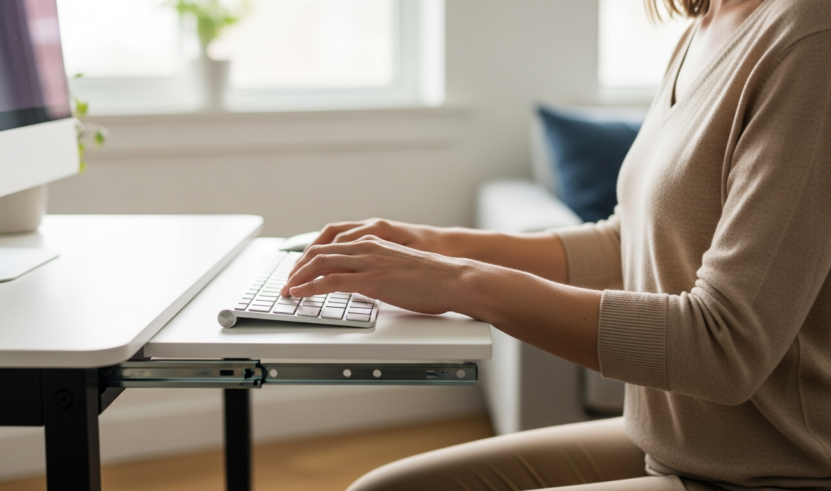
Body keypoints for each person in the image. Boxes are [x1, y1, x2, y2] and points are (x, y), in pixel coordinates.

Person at [282, 0, 831, 489]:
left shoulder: (809, 40)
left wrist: (459, 283)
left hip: (771, 470)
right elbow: (627, 241)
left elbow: (722, 349)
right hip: (669, 445)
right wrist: (432, 244)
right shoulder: (707, 23)